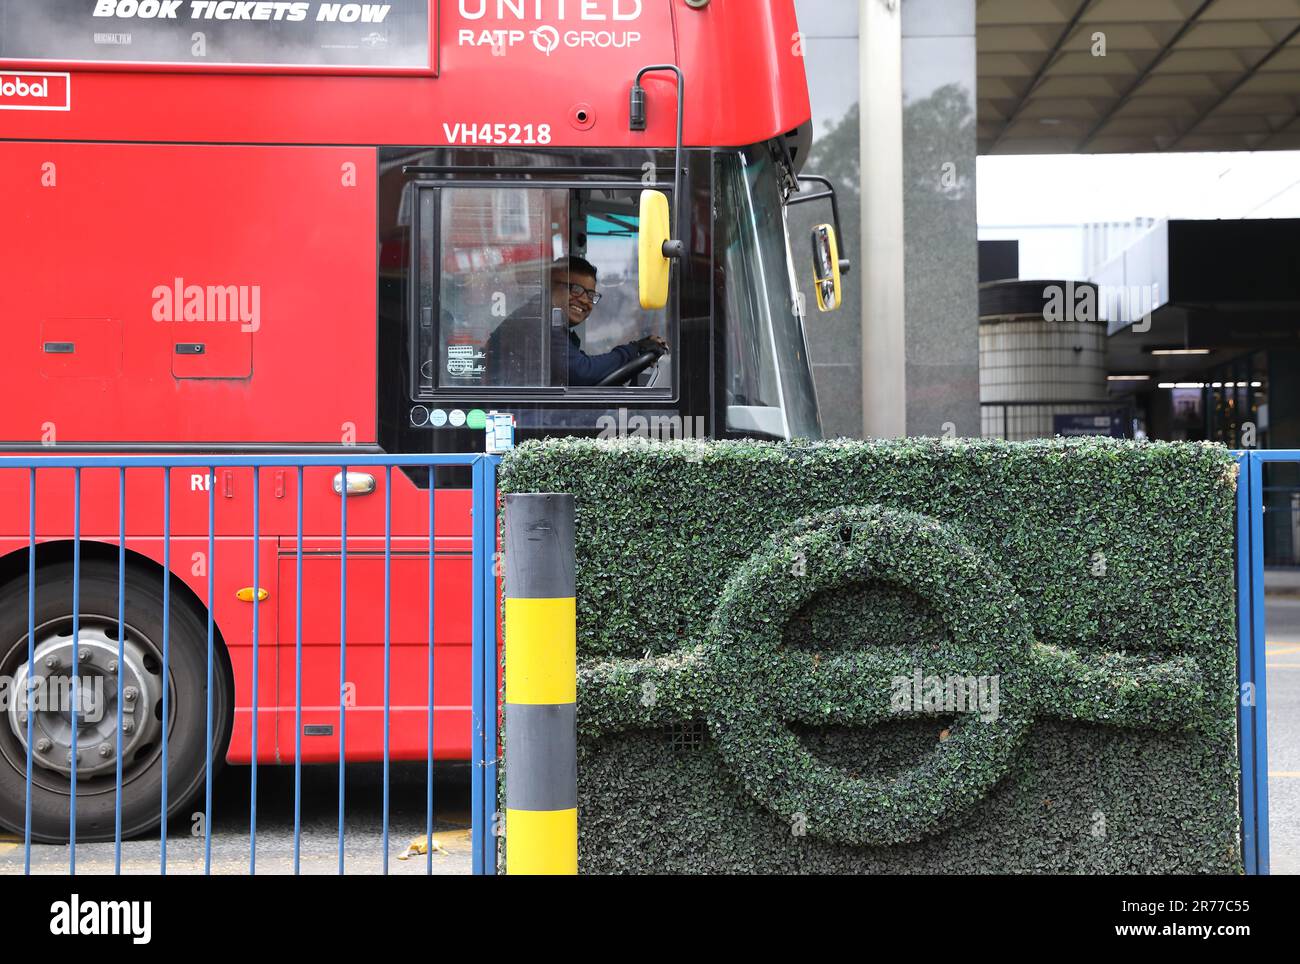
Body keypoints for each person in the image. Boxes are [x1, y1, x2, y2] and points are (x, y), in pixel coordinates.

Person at [485, 256, 667, 387]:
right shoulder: (537, 321)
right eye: (575, 289)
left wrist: (634, 352)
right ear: (549, 285)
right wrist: (633, 351)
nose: (585, 300)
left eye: (590, 294)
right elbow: (582, 372)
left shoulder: (550, 320)